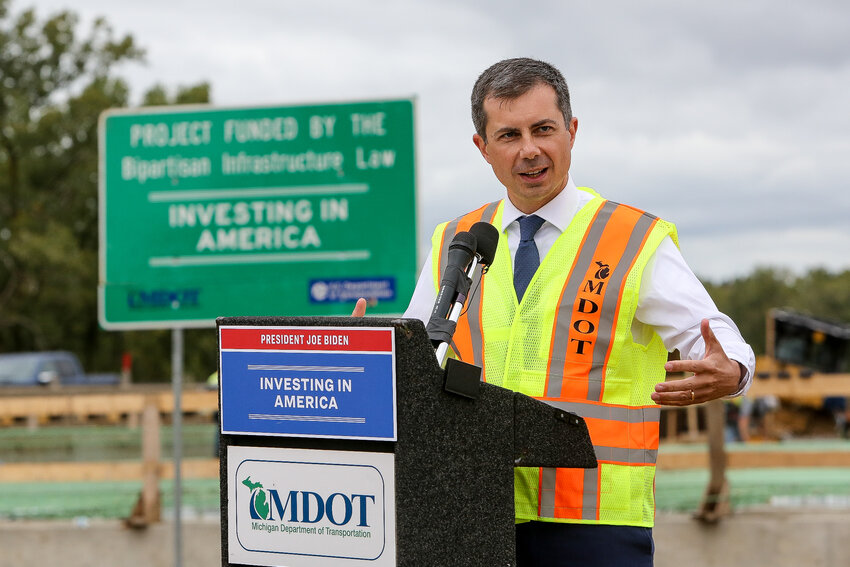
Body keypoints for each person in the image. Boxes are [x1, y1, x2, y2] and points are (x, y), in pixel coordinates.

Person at [354, 57, 755, 566]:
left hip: (595, 524)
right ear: (483, 148)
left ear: (572, 131)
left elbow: (715, 336)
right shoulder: (457, 242)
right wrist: (367, 350)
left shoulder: (631, 239)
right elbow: (419, 356)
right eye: (508, 135)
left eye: (543, 129)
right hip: (474, 511)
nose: (529, 150)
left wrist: (733, 370)